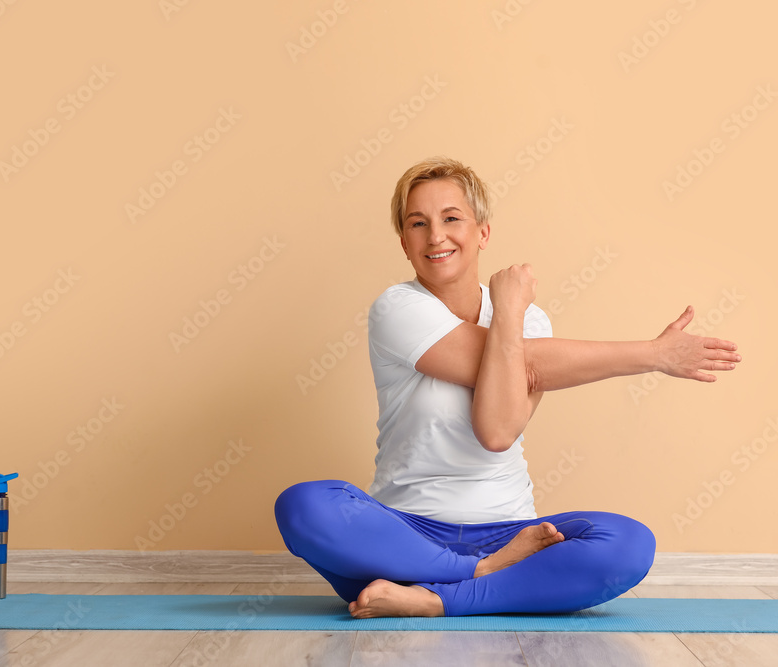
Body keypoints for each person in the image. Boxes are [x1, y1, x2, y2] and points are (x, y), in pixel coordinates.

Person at [275, 156, 741, 618]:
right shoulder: (396, 308)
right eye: (418, 224)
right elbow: (526, 366)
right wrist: (653, 354)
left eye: (451, 218)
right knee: (304, 506)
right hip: (402, 539)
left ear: (483, 232)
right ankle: (479, 577)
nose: (436, 236)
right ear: (404, 242)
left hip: (510, 532)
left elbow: (496, 432)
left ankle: (433, 599)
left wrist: (512, 312)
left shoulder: (529, 320)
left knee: (630, 544)